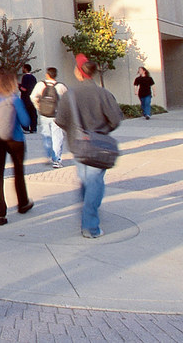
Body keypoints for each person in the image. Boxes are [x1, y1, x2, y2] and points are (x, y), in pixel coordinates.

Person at [55, 54, 123, 239]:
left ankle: (88, 218)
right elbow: (116, 119)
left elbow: (60, 120)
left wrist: (76, 131)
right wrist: (101, 131)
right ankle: (90, 224)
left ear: (79, 72)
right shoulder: (104, 93)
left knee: (86, 181)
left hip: (78, 145)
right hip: (98, 145)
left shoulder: (70, 95)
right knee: (94, 182)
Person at [0, 73, 33, 226]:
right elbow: (25, 121)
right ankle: (23, 203)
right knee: (18, 171)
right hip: (15, 139)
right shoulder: (14, 99)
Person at [31, 68, 67, 168]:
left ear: (47, 75)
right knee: (57, 137)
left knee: (46, 135)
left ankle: (48, 156)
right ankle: (57, 160)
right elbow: (67, 100)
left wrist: (39, 107)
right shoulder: (61, 86)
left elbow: (33, 96)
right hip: (56, 115)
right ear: (56, 75)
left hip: (44, 114)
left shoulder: (40, 85)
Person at [19, 64, 38, 133]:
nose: (22, 69)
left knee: (25, 113)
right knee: (33, 113)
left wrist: (19, 85)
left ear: (25, 69)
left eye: (23, 68)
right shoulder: (33, 77)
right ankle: (33, 128)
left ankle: (26, 128)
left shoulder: (25, 77)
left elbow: (24, 89)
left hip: (25, 98)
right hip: (32, 98)